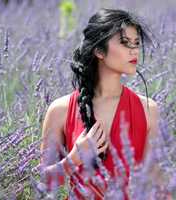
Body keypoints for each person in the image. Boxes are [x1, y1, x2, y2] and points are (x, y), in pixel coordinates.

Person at [40, 8, 161, 200]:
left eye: (136, 43)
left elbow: (155, 181)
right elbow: (43, 182)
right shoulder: (60, 110)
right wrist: (73, 159)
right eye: (124, 43)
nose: (134, 50)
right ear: (99, 51)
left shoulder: (148, 109)